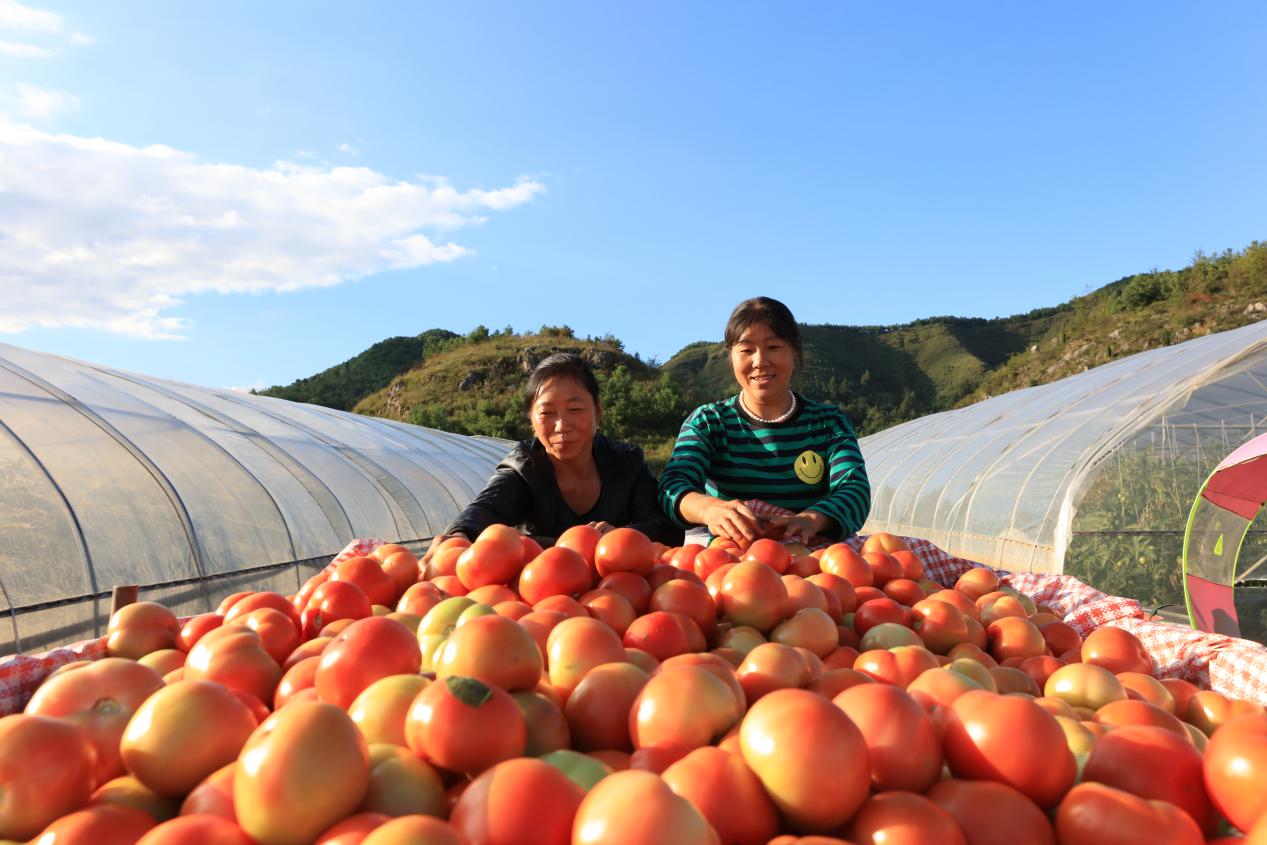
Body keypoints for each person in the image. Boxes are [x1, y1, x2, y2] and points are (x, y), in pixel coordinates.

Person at [423, 353, 683, 560]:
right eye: (547, 413)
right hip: (545, 596)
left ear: (598, 413)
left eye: (575, 409)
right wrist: (459, 535)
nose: (561, 426)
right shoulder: (525, 466)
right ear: (531, 421)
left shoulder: (626, 463)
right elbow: (487, 508)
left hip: (620, 592)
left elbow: (665, 526)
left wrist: (623, 537)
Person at [658, 296, 871, 545]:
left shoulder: (828, 423)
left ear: (795, 350)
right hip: (733, 563)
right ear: (731, 357)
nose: (760, 361)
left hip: (815, 559)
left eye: (773, 347)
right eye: (747, 350)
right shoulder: (709, 422)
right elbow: (672, 487)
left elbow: (854, 489)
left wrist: (811, 520)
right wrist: (709, 509)